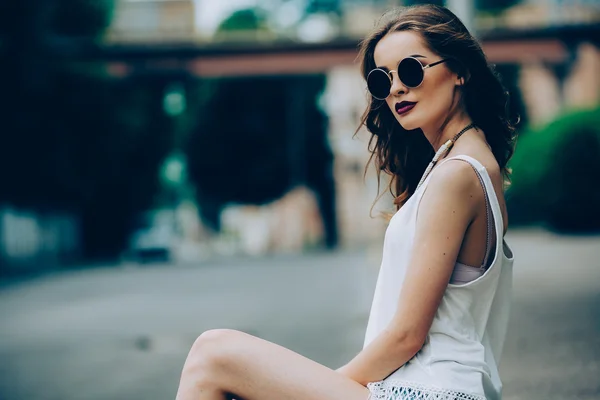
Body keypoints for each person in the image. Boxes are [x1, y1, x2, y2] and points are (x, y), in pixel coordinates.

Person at [175, 4, 516, 400]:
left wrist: (321, 386)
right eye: (380, 79)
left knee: (212, 354)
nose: (396, 88)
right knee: (214, 356)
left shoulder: (457, 174)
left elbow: (407, 335)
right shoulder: (467, 163)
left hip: (431, 390)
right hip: (427, 386)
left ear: (461, 71)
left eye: (411, 69)